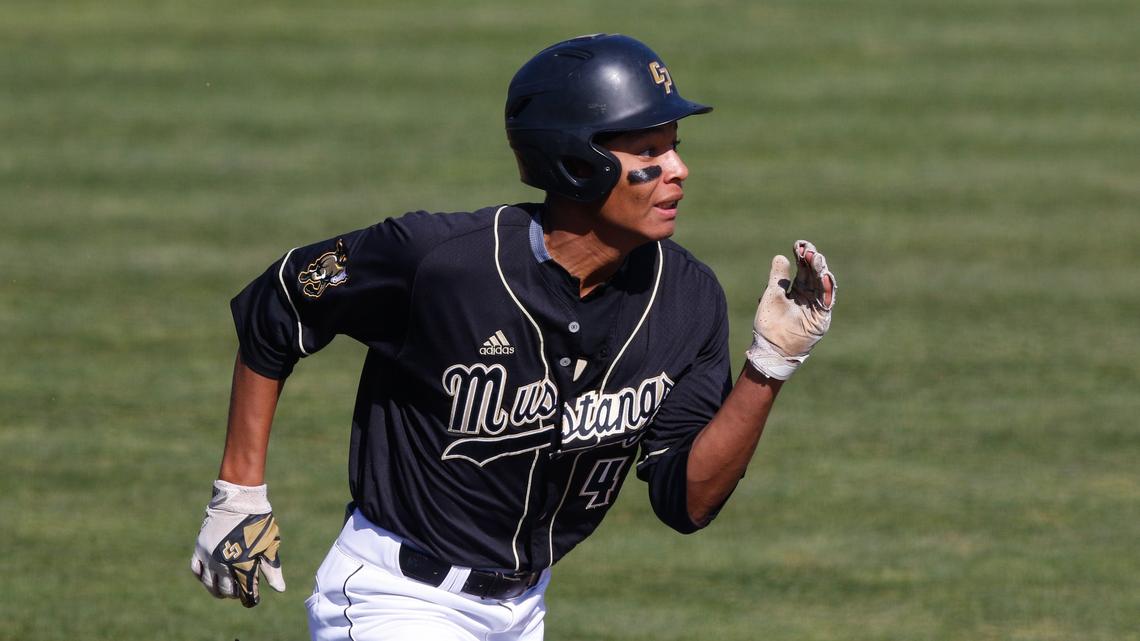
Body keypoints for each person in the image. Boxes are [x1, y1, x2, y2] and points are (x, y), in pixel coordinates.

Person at [190, 33, 836, 641]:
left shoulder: (687, 298)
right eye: (650, 153)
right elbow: (281, 300)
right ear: (577, 162)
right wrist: (240, 491)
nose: (679, 169)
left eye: (673, 146)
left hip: (523, 612)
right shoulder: (442, 263)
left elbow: (685, 500)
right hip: (396, 597)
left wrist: (769, 364)